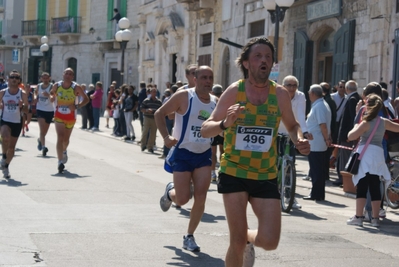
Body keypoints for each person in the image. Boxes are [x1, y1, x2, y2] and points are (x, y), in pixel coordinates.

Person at [200, 38, 310, 267]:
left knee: (270, 241)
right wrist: (225, 124)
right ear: (247, 63)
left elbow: (292, 125)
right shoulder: (234, 91)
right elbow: (205, 129)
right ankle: (242, 240)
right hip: (234, 171)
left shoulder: (279, 94)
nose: (264, 61)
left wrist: (299, 138)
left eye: (268, 57)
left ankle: (249, 239)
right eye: (258, 56)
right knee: (235, 241)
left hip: (265, 174)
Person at [155, 65, 217, 252]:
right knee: (182, 199)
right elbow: (159, 113)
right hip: (182, 152)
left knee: (201, 196)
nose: (208, 81)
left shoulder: (216, 102)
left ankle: (189, 236)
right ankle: (170, 192)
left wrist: (215, 157)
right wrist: (166, 137)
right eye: (204, 77)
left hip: (203, 155)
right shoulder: (184, 97)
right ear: (195, 80)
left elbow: (219, 129)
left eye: (210, 78)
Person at [346, 94, 397, 227]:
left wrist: (356, 122)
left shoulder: (365, 123)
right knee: (375, 186)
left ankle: (358, 217)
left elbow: (351, 136)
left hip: (365, 155)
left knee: (362, 186)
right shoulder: (383, 121)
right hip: (378, 155)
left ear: (367, 106)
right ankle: (375, 219)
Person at [50, 68, 89, 173]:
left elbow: (86, 99)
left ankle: (64, 151)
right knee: (60, 137)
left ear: (72, 76)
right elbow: (52, 93)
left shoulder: (76, 87)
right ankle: (59, 162)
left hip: (71, 117)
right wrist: (51, 97)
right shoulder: (57, 85)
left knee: (66, 140)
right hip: (58, 115)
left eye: (70, 74)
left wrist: (77, 106)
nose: (67, 75)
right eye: (66, 73)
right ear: (63, 75)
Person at [278, 75, 308, 208]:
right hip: (277, 129)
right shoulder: (277, 94)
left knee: (290, 164)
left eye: (294, 85)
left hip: (292, 131)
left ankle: (290, 196)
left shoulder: (300, 96)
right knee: (274, 161)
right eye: (289, 85)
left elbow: (301, 114)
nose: (292, 88)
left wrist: (304, 133)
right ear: (284, 86)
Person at [303, 84, 331, 201]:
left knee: (316, 170)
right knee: (317, 170)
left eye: (309, 92)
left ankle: (317, 194)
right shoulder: (320, 104)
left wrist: (326, 138)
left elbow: (322, 125)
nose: (308, 94)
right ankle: (317, 192)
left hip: (317, 142)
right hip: (317, 142)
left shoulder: (319, 106)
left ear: (313, 93)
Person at [0, 70, 29, 179]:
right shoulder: (3, 92)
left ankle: (6, 166)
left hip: (17, 121)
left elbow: (27, 110)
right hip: (5, 120)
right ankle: (3, 157)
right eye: (12, 77)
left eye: (16, 78)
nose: (14, 79)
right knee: (5, 137)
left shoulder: (22, 94)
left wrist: (22, 106)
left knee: (11, 148)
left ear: (19, 81)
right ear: (8, 79)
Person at [334, 81, 361, 186]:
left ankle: (344, 179)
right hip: (348, 135)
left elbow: (352, 119)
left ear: (346, 89)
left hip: (347, 136)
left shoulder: (353, 99)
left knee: (345, 158)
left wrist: (349, 135)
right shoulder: (355, 98)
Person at [34, 72, 54, 156]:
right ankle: (43, 147)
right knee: (42, 129)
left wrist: (48, 95)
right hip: (40, 109)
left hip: (49, 110)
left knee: (45, 131)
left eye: (47, 78)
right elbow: (35, 93)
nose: (45, 79)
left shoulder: (52, 86)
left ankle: (40, 140)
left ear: (49, 78)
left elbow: (53, 99)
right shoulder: (38, 86)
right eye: (43, 78)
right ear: (41, 78)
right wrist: (35, 98)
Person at [140, 87, 162, 153]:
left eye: (155, 92)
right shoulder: (146, 100)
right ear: (150, 93)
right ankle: (143, 145)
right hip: (147, 117)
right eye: (153, 92)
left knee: (153, 133)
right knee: (145, 131)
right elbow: (141, 109)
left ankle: (150, 147)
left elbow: (161, 110)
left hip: (154, 119)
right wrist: (147, 110)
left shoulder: (159, 102)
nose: (154, 93)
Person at [210, 84, 224, 182]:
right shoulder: (224, 101)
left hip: (214, 128)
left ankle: (213, 173)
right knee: (222, 152)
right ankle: (220, 172)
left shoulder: (212, 101)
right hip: (222, 128)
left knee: (213, 152)